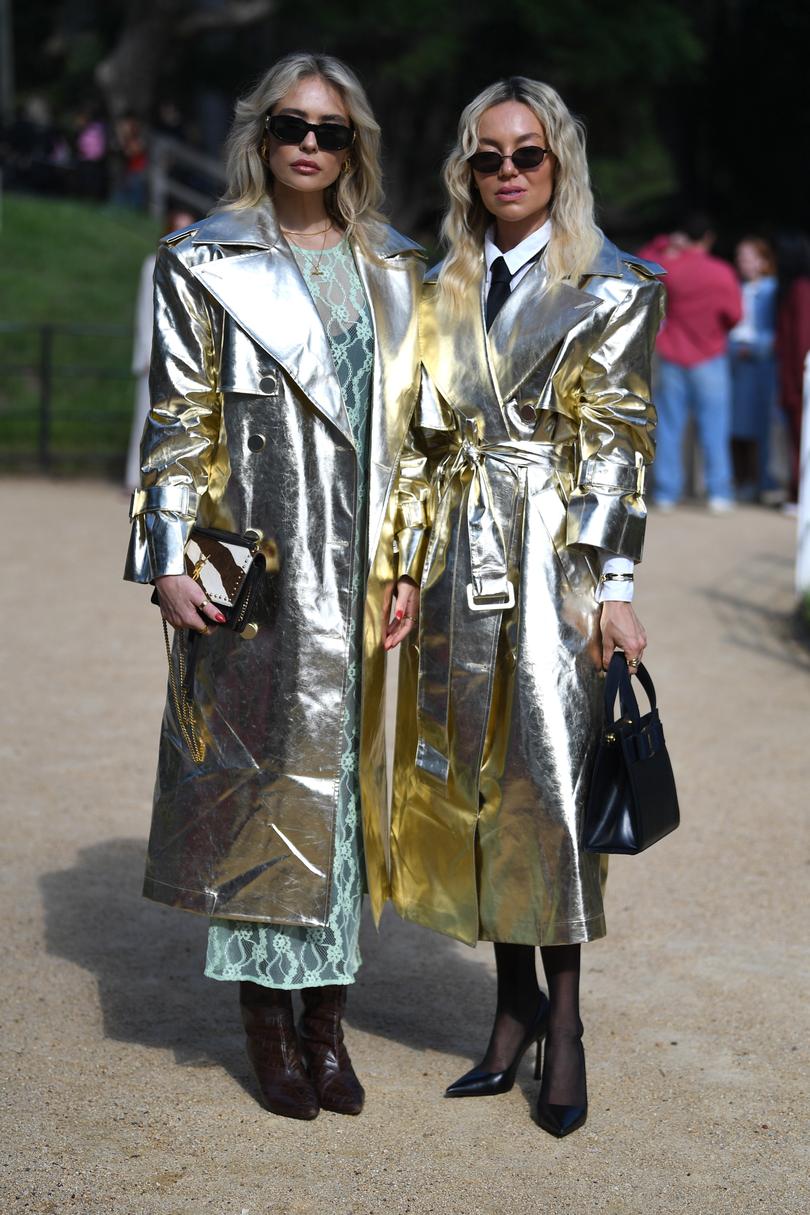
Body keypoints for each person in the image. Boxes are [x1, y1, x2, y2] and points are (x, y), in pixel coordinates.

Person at [123, 52, 424, 1120]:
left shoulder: (398, 267)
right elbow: (178, 421)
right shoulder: (202, 261)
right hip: (254, 561)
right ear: (261, 133)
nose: (310, 143)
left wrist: (409, 570)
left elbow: (420, 437)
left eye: (331, 130)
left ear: (356, 147)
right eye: (293, 125)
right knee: (258, 787)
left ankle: (327, 1026)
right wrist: (165, 556)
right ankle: (267, 1026)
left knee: (344, 798)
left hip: (364, 568)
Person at [385, 77, 664, 1138]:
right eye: (488, 157)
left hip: (556, 560)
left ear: (561, 164)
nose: (508, 172)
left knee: (551, 781)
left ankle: (569, 1020)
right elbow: (418, 442)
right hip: (459, 550)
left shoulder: (615, 283)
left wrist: (615, 589)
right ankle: (511, 1007)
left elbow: (619, 444)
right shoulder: (440, 284)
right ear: (467, 170)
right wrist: (407, 568)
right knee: (478, 778)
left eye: (528, 155)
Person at [640, 215, 742, 513]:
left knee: (670, 427)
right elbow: (734, 315)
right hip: (711, 356)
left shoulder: (674, 267)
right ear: (708, 238)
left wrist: (664, 242)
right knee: (715, 427)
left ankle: (668, 492)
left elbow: (643, 262)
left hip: (672, 354)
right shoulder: (722, 271)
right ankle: (718, 492)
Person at [124, 208, 196, 494]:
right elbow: (145, 312)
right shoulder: (151, 265)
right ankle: (134, 476)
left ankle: (174, 476)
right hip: (156, 354)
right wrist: (144, 354)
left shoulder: (196, 267)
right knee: (145, 414)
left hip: (187, 356)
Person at [729, 237, 778, 501]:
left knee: (760, 423)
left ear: (763, 261)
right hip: (736, 360)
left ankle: (760, 480)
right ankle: (742, 478)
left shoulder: (772, 289)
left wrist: (757, 346)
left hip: (761, 365)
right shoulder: (738, 287)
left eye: (748, 257)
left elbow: (776, 330)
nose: (742, 263)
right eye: (740, 257)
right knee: (736, 425)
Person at [774, 231, 810, 512]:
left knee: (800, 438)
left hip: (798, 378)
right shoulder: (796, 288)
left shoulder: (799, 289)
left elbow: (801, 338)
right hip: (794, 376)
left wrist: (799, 380)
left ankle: (799, 493)